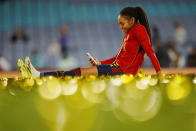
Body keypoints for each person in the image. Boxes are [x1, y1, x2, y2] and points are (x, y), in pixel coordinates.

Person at [17, 6, 161, 78]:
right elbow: (118, 58)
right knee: (81, 71)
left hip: (121, 71)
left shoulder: (139, 30)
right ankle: (39, 75)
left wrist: (159, 72)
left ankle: (39, 75)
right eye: (119, 24)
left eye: (122, 23)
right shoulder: (129, 35)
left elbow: (150, 51)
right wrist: (100, 62)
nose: (120, 27)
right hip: (117, 68)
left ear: (132, 20)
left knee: (81, 72)